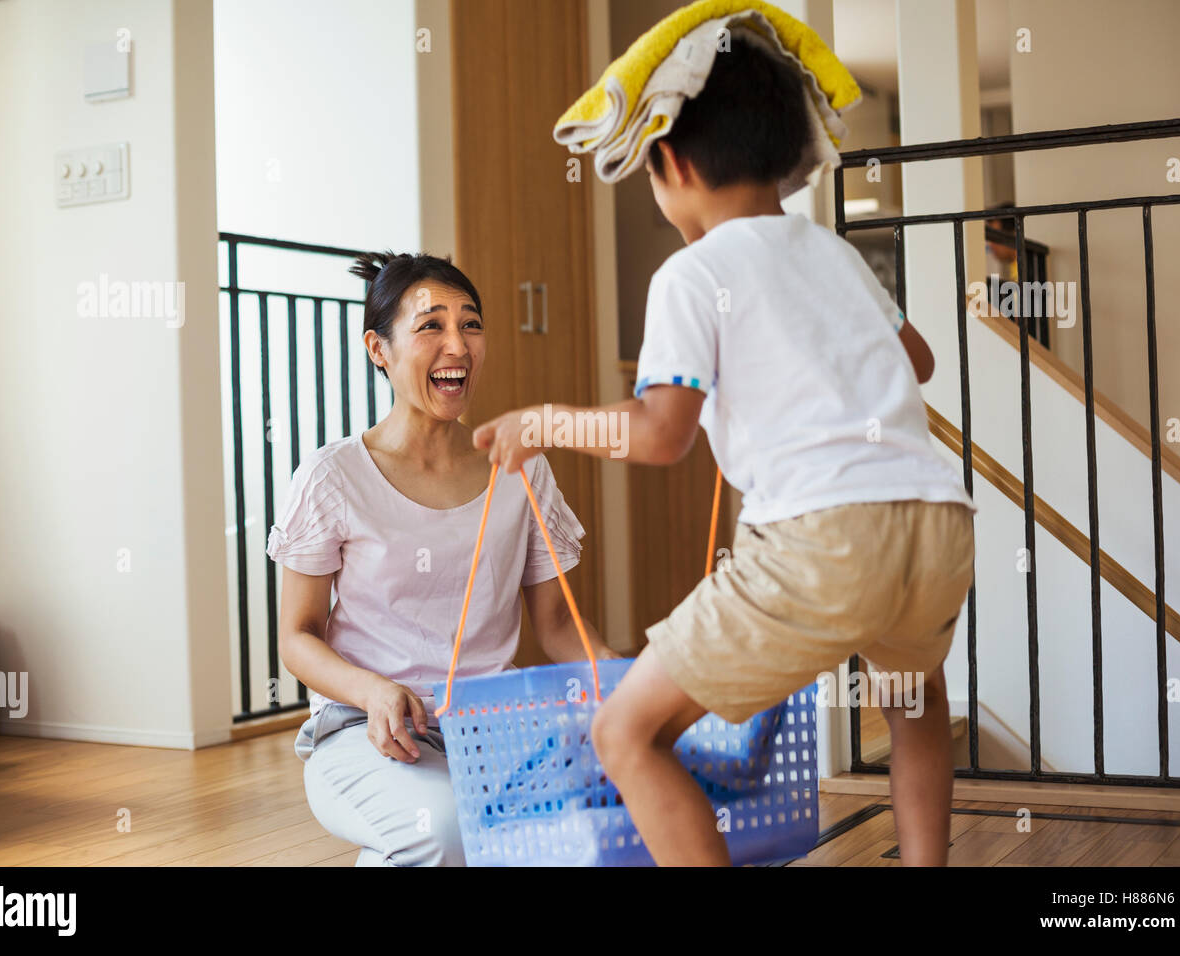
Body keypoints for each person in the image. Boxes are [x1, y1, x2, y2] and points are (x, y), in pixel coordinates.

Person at [472, 32, 976, 866]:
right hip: (935, 524)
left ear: (668, 161)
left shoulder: (692, 273)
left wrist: (545, 423)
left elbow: (660, 434)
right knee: (912, 699)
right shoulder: (833, 252)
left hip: (823, 539)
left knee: (625, 731)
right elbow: (916, 361)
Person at [268, 251, 618, 866]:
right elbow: (298, 638)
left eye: (471, 324)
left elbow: (559, 625)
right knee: (449, 827)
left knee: (591, 834)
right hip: (365, 733)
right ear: (379, 349)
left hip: (496, 732)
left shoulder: (521, 467)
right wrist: (374, 691)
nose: (457, 344)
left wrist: (629, 685)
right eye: (431, 325)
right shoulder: (333, 477)